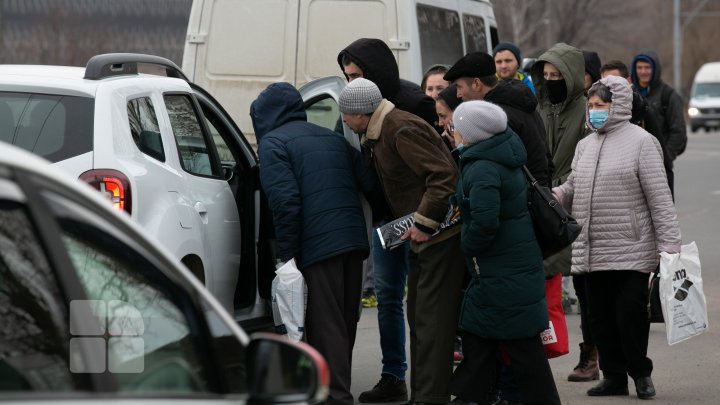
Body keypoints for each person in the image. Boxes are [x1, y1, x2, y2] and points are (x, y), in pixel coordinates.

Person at [251, 82, 382, 405]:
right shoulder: (334, 140)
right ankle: (334, 389)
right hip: (353, 243)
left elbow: (285, 203)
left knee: (325, 326)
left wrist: (287, 255)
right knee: (344, 320)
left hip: (317, 246)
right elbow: (370, 183)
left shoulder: (273, 145)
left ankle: (335, 396)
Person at [553, 76, 681, 400]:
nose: (595, 111)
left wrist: (669, 248)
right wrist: (553, 196)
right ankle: (613, 377)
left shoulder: (642, 142)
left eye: (601, 106)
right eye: (591, 106)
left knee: (630, 316)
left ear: (619, 106)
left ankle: (640, 374)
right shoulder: (585, 145)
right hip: (592, 249)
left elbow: (660, 199)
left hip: (631, 248)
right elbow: (573, 186)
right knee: (601, 320)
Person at [339, 78, 466, 405]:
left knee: (432, 322)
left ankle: (431, 396)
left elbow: (443, 177)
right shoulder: (379, 131)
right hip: (421, 236)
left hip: (439, 236)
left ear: (362, 113)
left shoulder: (399, 129)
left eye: (346, 114)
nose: (343, 120)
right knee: (419, 319)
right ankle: (422, 394)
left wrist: (424, 221)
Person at [445, 50, 553, 405]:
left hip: (501, 269)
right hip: (510, 267)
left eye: (457, 127)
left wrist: (468, 242)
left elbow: (485, 221)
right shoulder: (497, 155)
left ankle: (476, 395)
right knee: (486, 339)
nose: (452, 132)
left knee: (517, 347)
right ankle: (473, 395)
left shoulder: (483, 168)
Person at [337, 38, 435, 403]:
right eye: (346, 76)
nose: (350, 83)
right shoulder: (353, 107)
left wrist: (424, 217)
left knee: (424, 303)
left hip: (423, 218)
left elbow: (437, 167)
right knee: (389, 296)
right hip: (385, 221)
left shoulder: (412, 104)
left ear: (375, 72)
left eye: (356, 75)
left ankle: (431, 379)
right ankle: (394, 375)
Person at [630, 49, 687, 196]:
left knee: (661, 212)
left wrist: (664, 158)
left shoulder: (668, 95)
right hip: (632, 167)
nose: (643, 71)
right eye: (639, 67)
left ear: (655, 69)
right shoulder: (629, 94)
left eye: (647, 67)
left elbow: (678, 132)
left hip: (660, 168)